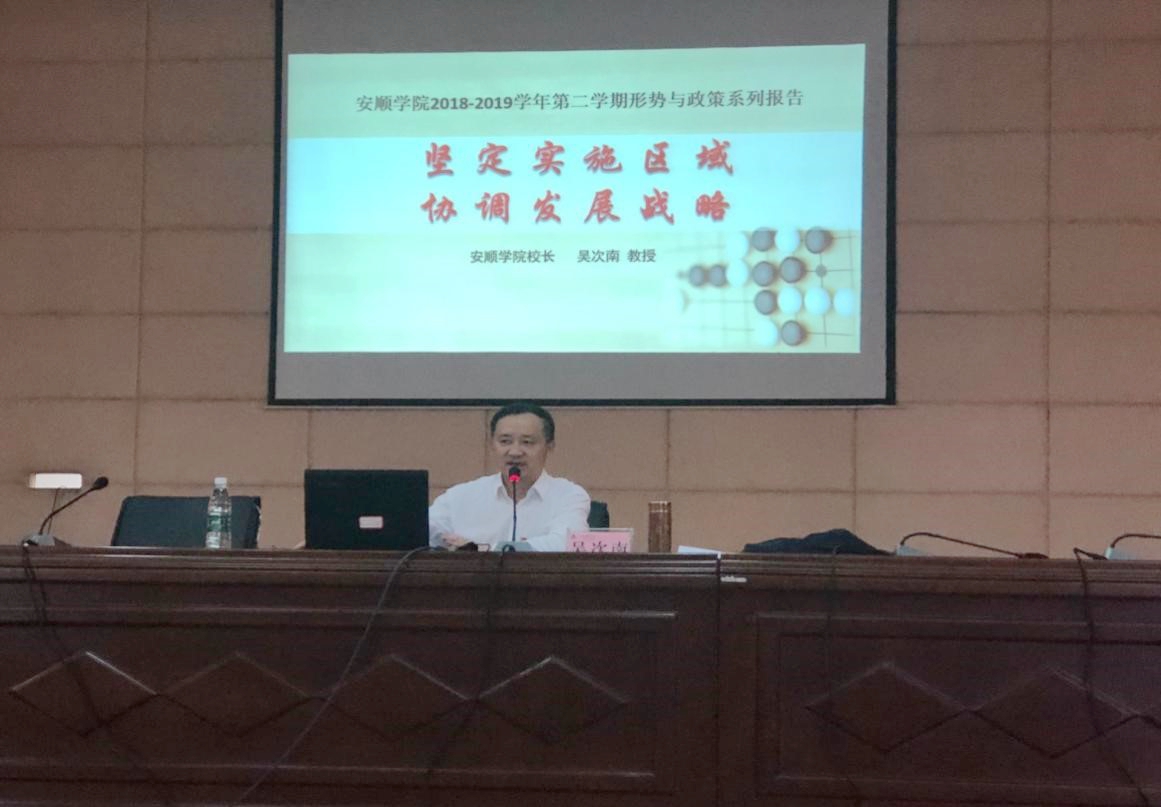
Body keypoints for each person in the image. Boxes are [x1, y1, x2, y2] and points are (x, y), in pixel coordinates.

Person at [429, 402, 590, 551]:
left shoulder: (568, 495)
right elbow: (424, 531)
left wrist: (481, 550)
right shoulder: (460, 496)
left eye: (527, 442)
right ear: (492, 445)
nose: (515, 452)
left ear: (550, 446)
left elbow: (566, 543)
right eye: (505, 441)